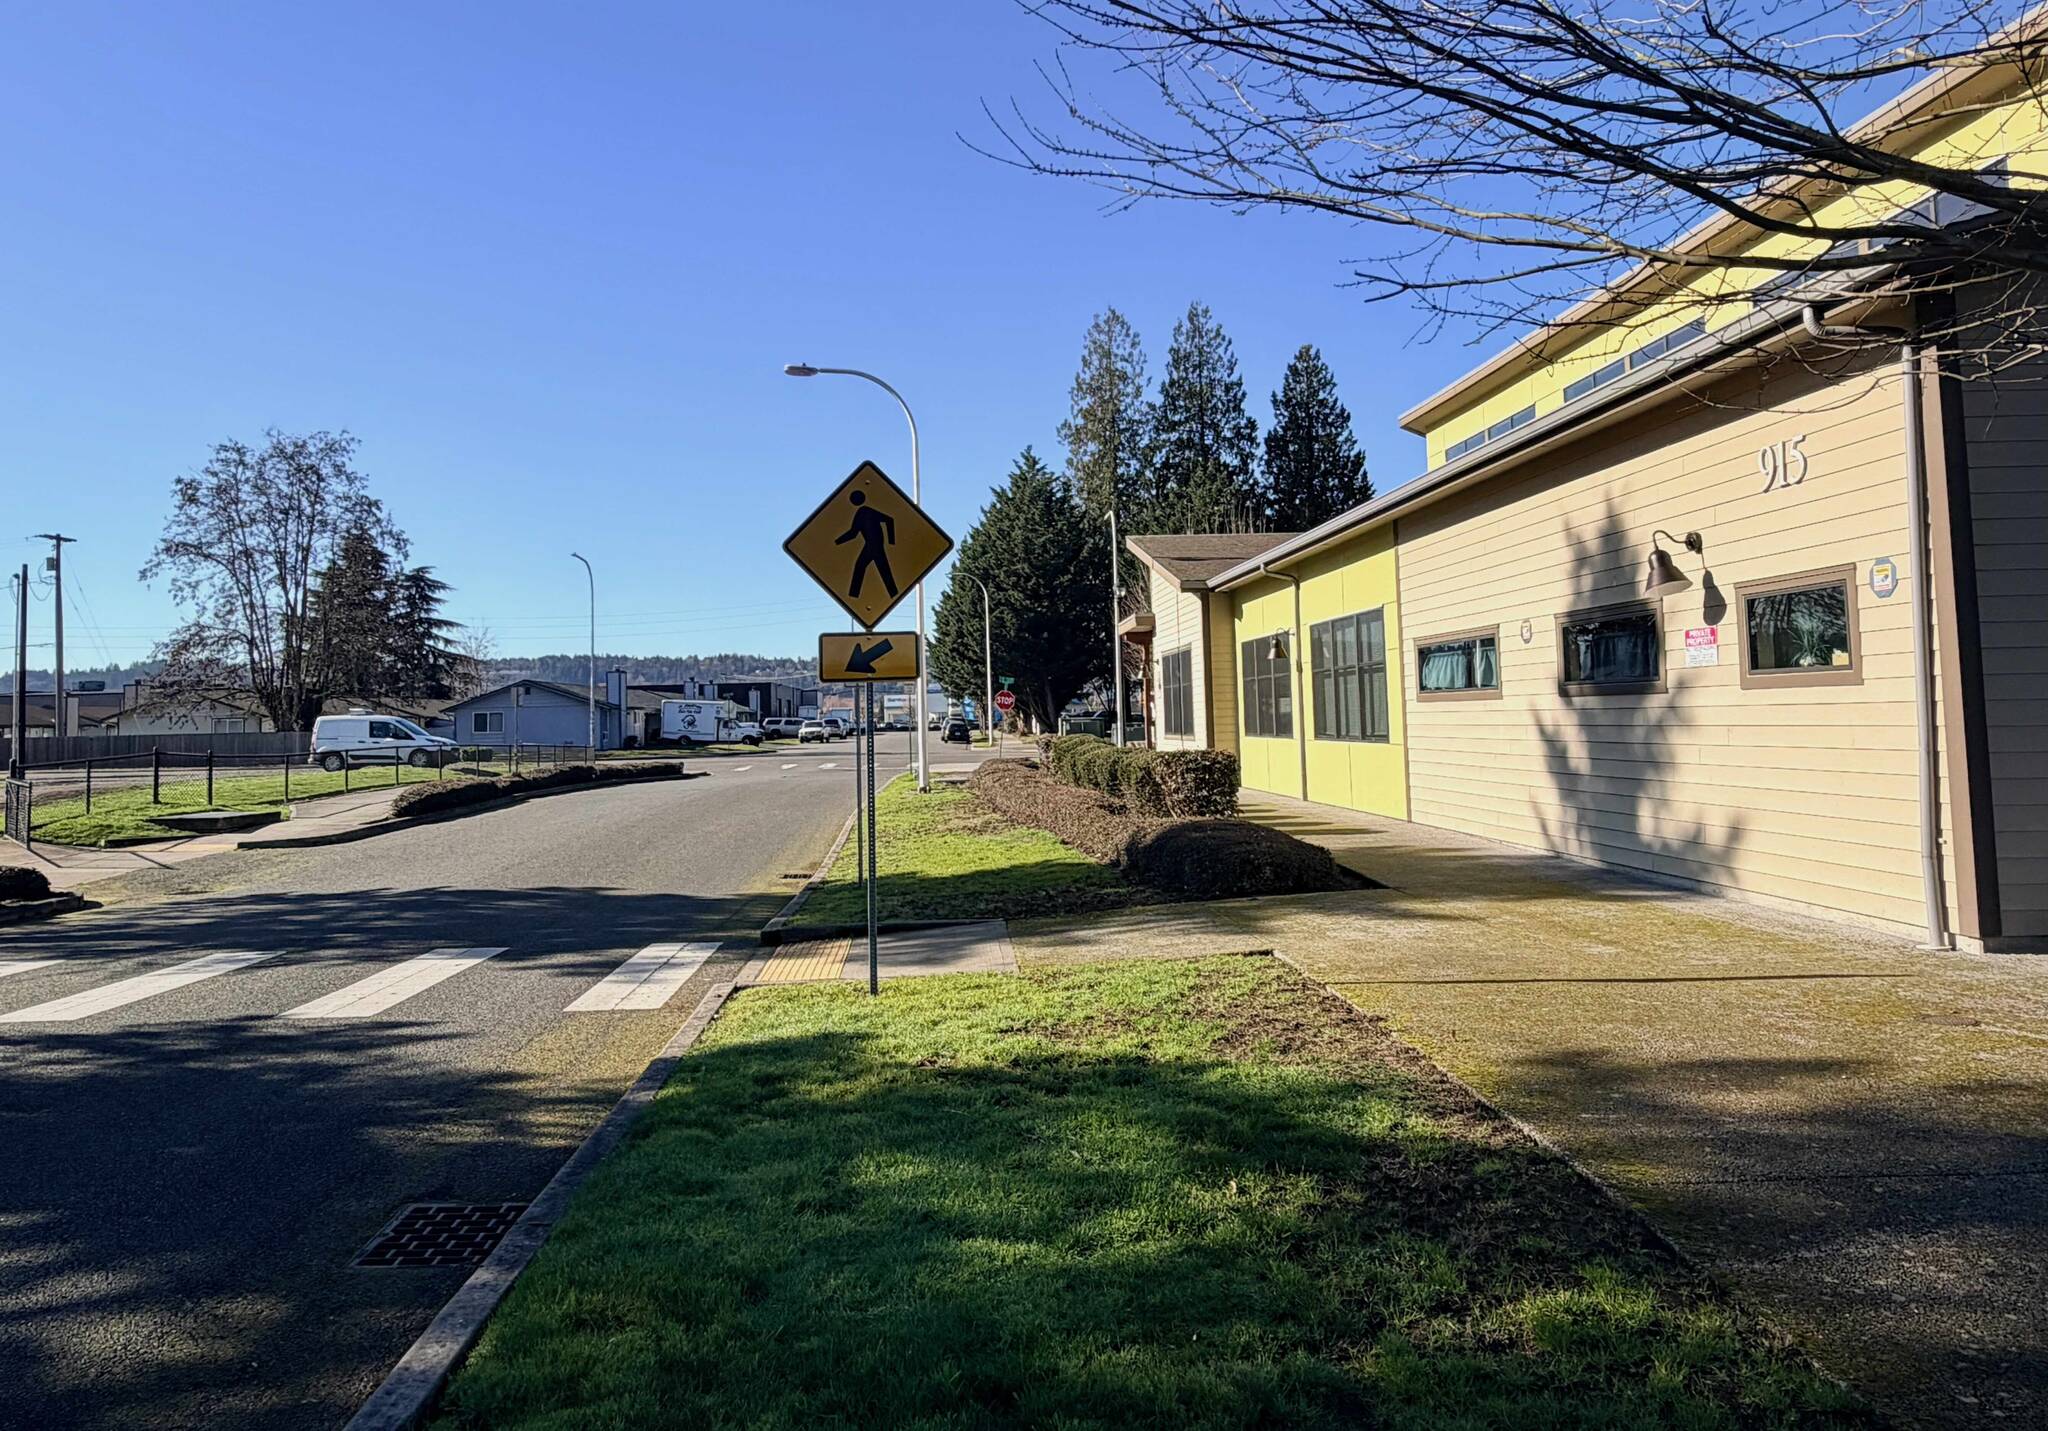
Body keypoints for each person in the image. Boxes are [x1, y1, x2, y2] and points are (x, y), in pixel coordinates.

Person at [835, 489, 897, 599]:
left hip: (874, 545)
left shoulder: (864, 511)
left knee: (863, 567)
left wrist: (891, 542)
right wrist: (837, 542)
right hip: (872, 545)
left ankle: (854, 595)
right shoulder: (863, 512)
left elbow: (889, 520)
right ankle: (892, 593)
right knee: (880, 569)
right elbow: (853, 533)